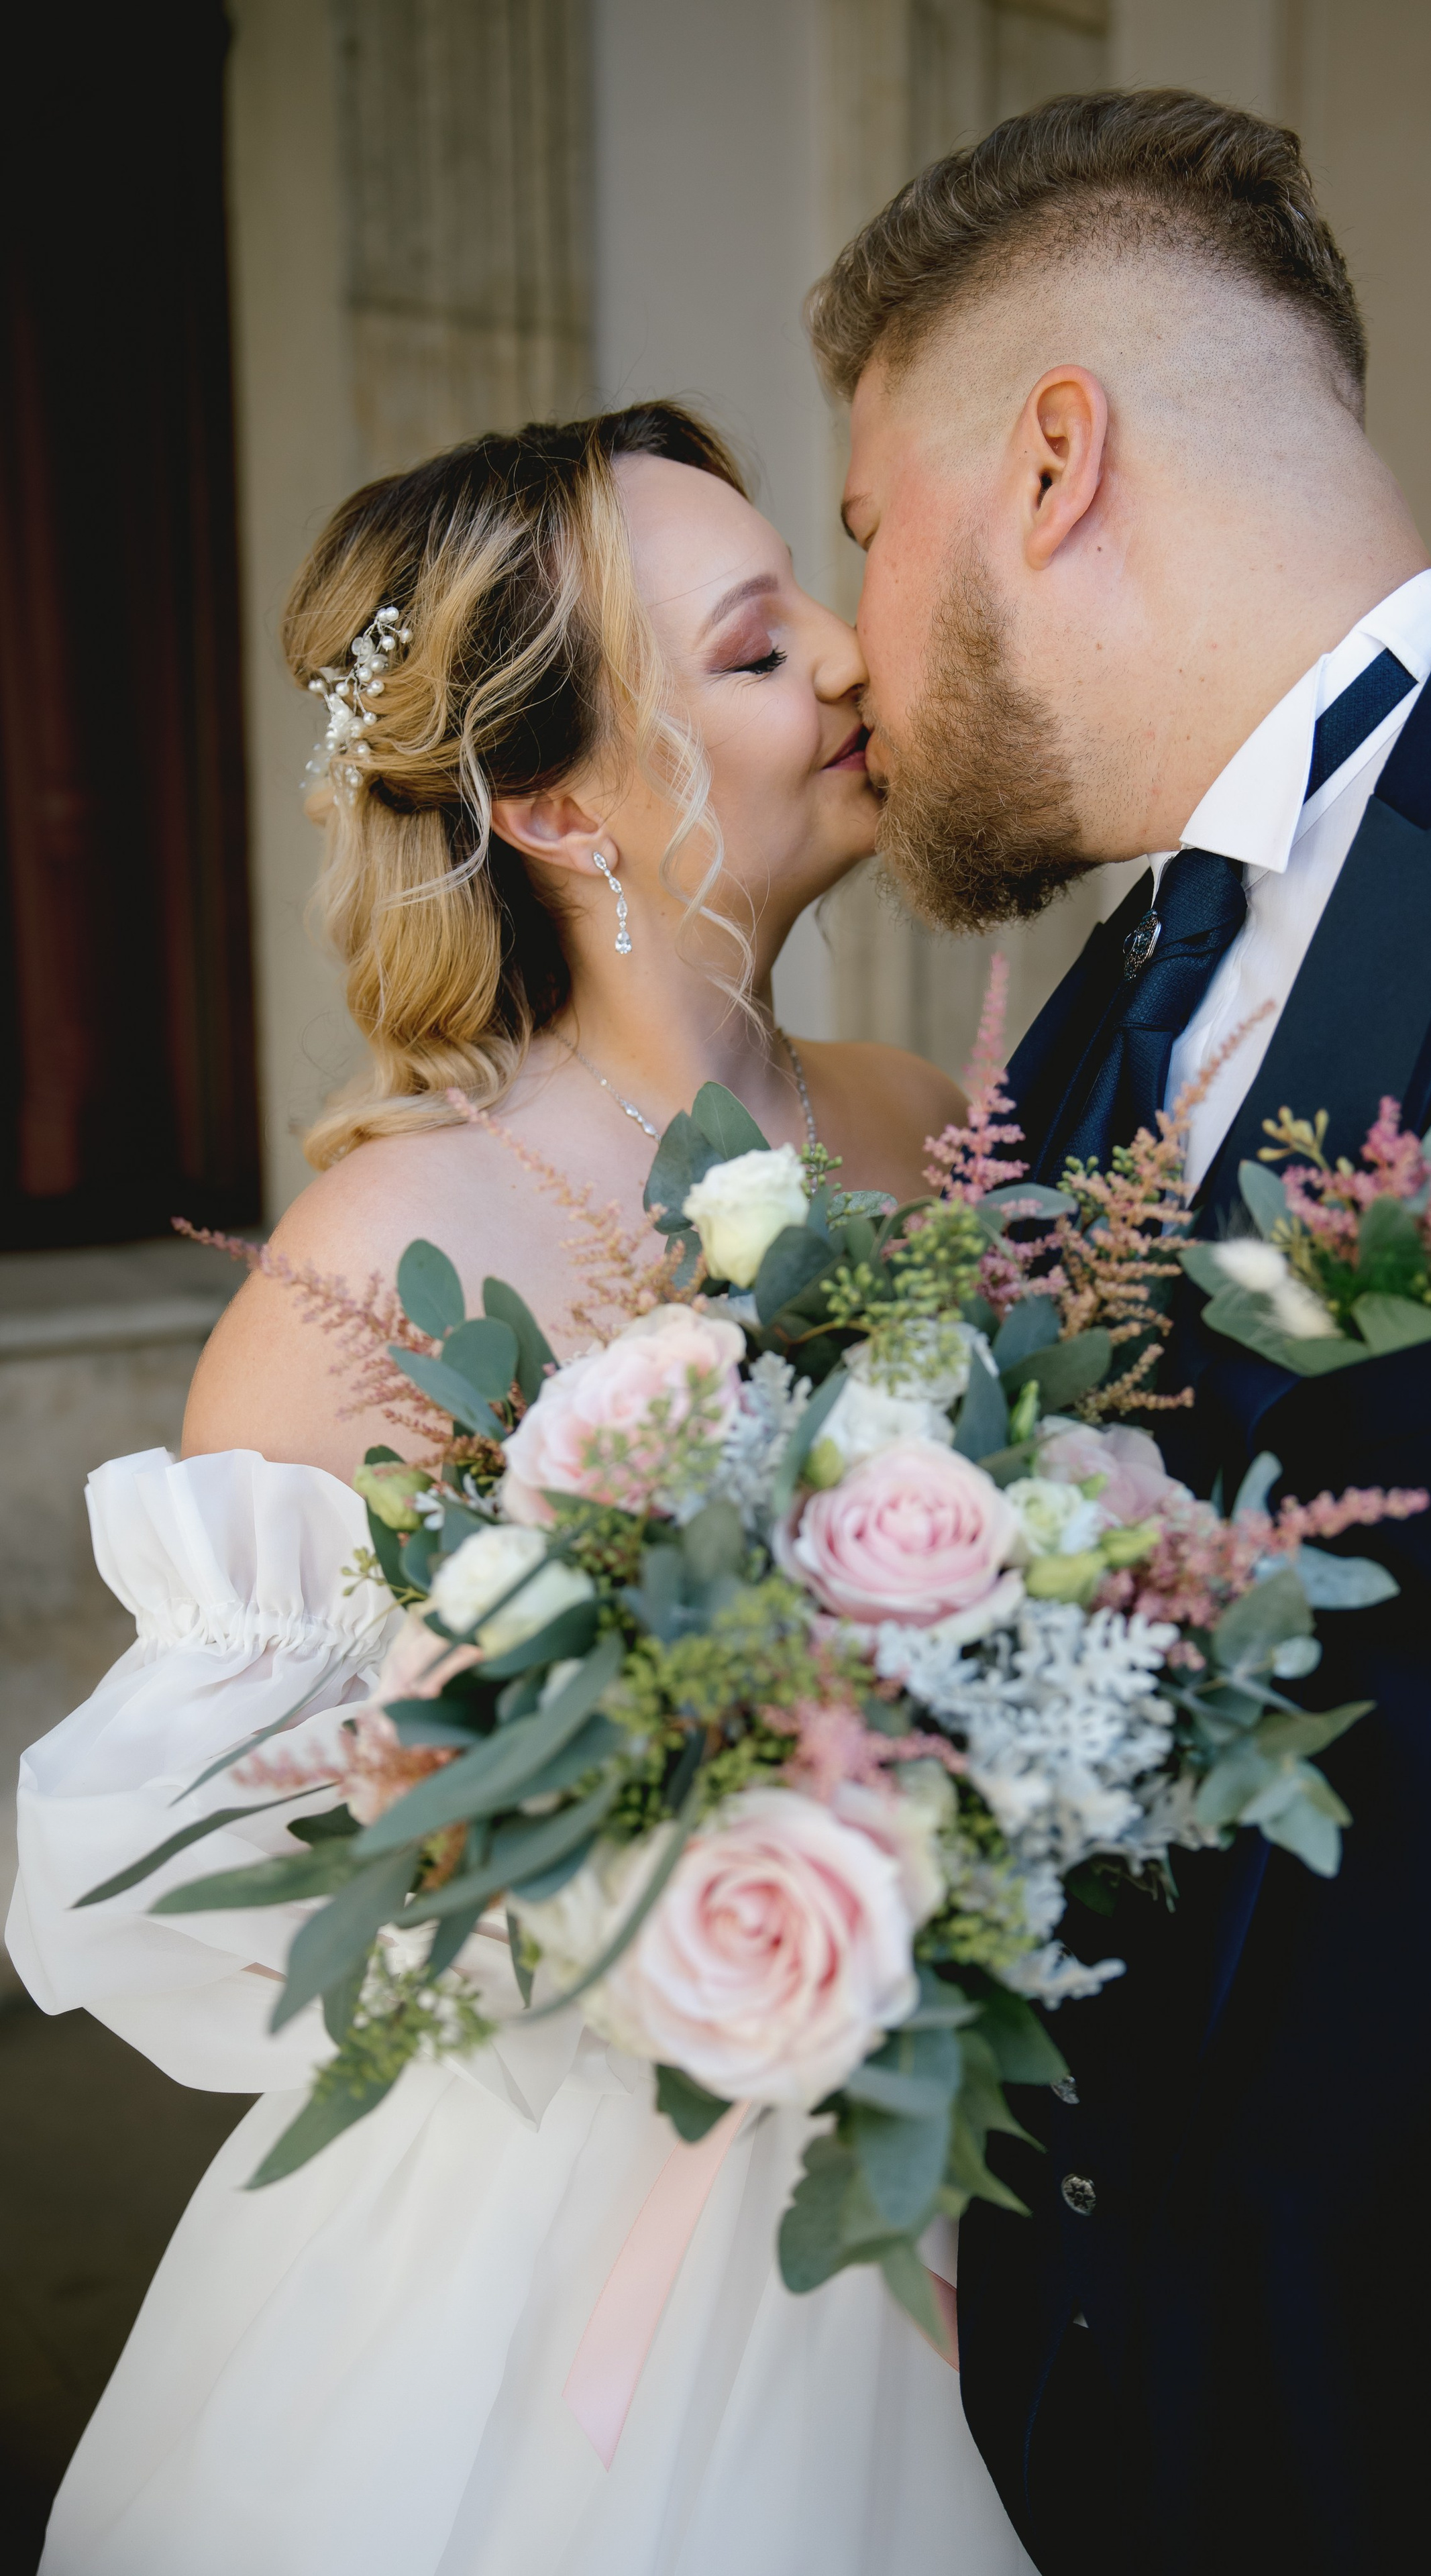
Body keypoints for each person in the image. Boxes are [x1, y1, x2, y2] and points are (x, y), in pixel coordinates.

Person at [809, 86, 1431, 2576]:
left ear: (1053, 461)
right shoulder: (1079, 1044)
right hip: (1133, 2439)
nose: (857, 654)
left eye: (869, 532)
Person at [7, 404, 1034, 2576]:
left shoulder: (930, 1124)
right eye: (761, 651)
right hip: (574, 2267)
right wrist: (622, 1852)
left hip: (995, 2166)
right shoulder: (386, 1269)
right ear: (559, 800)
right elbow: (163, 1895)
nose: (854, 658)